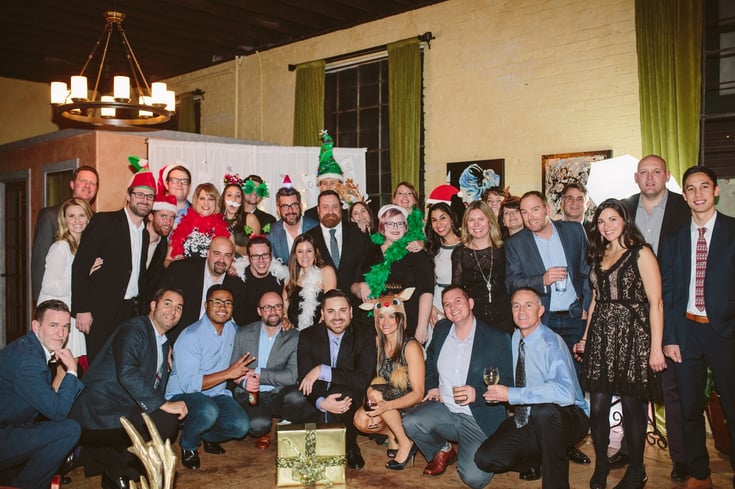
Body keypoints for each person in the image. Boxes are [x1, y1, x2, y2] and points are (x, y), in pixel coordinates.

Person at [572, 199, 666, 489]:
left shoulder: (642, 253)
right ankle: (601, 465)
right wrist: (587, 337)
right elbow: (598, 300)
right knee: (598, 407)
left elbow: (656, 303)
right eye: (601, 221)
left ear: (625, 220)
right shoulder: (599, 254)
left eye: (612, 219)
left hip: (634, 336)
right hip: (601, 336)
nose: (606, 226)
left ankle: (637, 470)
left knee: (632, 407)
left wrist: (656, 348)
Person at [617, 154, 691, 480]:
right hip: (630, 313)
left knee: (672, 390)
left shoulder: (683, 208)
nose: (649, 178)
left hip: (670, 307)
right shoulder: (622, 208)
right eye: (644, 173)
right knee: (630, 389)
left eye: (656, 172)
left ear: (667, 176)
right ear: (636, 177)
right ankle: (629, 454)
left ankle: (682, 459)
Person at [660, 166, 735, 489]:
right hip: (687, 332)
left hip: (726, 333)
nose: (698, 194)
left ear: (715, 191)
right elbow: (670, 291)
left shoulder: (733, 231)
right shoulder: (676, 238)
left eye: (704, 187)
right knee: (689, 407)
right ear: (685, 195)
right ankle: (699, 473)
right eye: (690, 189)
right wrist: (670, 337)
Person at [504, 190, 592, 465]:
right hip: (544, 320)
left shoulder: (574, 231)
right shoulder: (516, 243)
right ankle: (541, 446)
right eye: (524, 212)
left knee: (573, 382)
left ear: (547, 209)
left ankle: (567, 442)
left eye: (534, 210)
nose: (529, 217)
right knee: (541, 382)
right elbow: (511, 283)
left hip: (575, 317)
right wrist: (541, 280)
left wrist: (588, 304)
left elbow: (587, 271)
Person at [70, 289, 188, 488]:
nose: (173, 311)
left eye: (179, 307)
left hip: (122, 407)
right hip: (99, 408)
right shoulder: (134, 328)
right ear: (153, 305)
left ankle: (90, 456)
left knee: (160, 420)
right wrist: (164, 404)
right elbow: (127, 373)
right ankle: (115, 472)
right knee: (165, 421)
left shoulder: (163, 343)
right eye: (167, 303)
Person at [475, 288, 590, 489]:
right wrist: (500, 393)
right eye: (516, 306)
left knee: (544, 412)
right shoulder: (515, 337)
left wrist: (512, 395)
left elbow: (565, 393)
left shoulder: (550, 343)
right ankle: (534, 461)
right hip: (529, 418)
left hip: (569, 417)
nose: (521, 311)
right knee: (486, 458)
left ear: (541, 311)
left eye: (528, 305)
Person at [403, 286, 512, 489]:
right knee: (411, 421)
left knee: (473, 479)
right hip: (446, 410)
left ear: (470, 303)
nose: (452, 307)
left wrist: (477, 393)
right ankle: (443, 449)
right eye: (447, 304)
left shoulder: (496, 338)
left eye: (458, 301)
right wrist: (433, 387)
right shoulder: (442, 330)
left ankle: (471, 450)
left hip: (477, 417)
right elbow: (431, 363)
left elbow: (509, 381)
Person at [280, 289, 377, 470]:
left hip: (350, 395)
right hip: (318, 395)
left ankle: (349, 446)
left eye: (342, 310)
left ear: (351, 312)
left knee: (341, 395)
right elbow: (304, 378)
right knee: (292, 398)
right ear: (323, 314)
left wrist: (322, 370)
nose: (337, 317)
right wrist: (321, 402)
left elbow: (362, 378)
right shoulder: (308, 335)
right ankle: (315, 444)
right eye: (331, 311)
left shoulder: (364, 334)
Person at [71, 167, 155, 362]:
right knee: (97, 368)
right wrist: (82, 309)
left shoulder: (144, 234)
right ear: (128, 195)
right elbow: (81, 266)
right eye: (140, 194)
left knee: (122, 366)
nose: (144, 200)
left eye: (149, 197)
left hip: (129, 312)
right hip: (101, 312)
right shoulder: (104, 221)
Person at [165, 285, 251, 470]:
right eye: (217, 302)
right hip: (182, 394)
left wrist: (284, 322)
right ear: (206, 305)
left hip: (215, 393)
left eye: (228, 303)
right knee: (207, 411)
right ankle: (189, 445)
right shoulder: (191, 336)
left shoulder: (232, 329)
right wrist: (228, 373)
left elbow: (255, 333)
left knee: (241, 426)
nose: (223, 307)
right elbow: (190, 385)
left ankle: (208, 436)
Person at [0, 300, 83, 489]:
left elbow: (45, 401)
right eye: (53, 325)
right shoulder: (28, 361)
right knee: (69, 430)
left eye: (65, 327)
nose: (61, 334)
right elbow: (58, 412)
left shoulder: (29, 347)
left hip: (9, 427)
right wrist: (71, 370)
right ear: (36, 326)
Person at [353, 289, 425, 470]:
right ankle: (393, 434)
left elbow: (418, 393)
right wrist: (371, 390)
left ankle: (405, 442)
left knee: (377, 396)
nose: (385, 322)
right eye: (381, 317)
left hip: (409, 404)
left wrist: (387, 405)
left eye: (391, 317)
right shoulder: (377, 343)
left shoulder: (411, 346)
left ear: (400, 318)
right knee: (361, 420)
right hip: (384, 401)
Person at [352, 204, 434, 343]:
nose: (395, 228)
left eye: (400, 224)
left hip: (406, 321)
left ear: (405, 228)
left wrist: (422, 326)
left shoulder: (414, 252)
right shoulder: (370, 251)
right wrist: (361, 286)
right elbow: (353, 286)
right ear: (382, 228)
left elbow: (426, 291)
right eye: (390, 223)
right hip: (374, 323)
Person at [230, 291, 298, 450]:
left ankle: (286, 427)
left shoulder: (294, 336)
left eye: (277, 307)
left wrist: (257, 373)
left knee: (297, 397)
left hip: (279, 391)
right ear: (259, 311)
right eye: (267, 307)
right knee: (258, 425)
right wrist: (245, 382)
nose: (273, 312)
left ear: (283, 310)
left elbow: (292, 376)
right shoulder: (243, 333)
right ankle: (263, 429)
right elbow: (233, 368)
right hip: (252, 394)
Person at [159, 236, 248, 343]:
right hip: (178, 340)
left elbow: (242, 323)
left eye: (227, 255)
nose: (221, 260)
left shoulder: (237, 286)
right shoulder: (181, 270)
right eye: (217, 253)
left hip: (216, 346)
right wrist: (165, 342)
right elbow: (160, 307)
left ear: (232, 258)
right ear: (208, 253)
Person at [38, 198, 94, 362]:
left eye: (82, 215)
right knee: (67, 365)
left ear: (88, 218)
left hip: (72, 312)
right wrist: (83, 275)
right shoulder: (61, 247)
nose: (77, 221)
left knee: (70, 364)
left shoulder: (83, 247)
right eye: (71, 216)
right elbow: (48, 286)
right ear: (64, 220)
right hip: (58, 315)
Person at [32, 165, 99, 302]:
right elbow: (39, 267)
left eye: (92, 183)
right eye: (83, 181)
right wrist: (43, 310)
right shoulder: (50, 216)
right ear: (72, 184)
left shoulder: (97, 220)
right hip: (57, 302)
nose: (87, 186)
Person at [452, 200, 513, 334]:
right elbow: (457, 291)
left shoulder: (504, 249)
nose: (477, 224)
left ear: (490, 222)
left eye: (481, 219)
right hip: (474, 321)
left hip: (505, 318)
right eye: (471, 220)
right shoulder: (460, 253)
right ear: (466, 225)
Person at [306, 190, 370, 298]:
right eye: (325, 207)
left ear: (341, 208)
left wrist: (362, 286)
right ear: (318, 210)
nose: (330, 212)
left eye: (335, 206)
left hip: (356, 305)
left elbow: (369, 266)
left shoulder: (358, 233)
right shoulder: (309, 239)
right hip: (322, 307)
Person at [165, 182, 230, 266]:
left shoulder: (225, 229)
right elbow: (167, 260)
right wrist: (175, 264)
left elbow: (229, 262)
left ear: (216, 202)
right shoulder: (182, 225)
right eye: (202, 198)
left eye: (211, 199)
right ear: (196, 201)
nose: (206, 203)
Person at [283, 234, 337, 330]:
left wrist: (313, 335)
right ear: (295, 255)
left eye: (309, 251)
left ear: (315, 252)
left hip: (316, 333)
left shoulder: (326, 272)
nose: (305, 256)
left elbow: (330, 306)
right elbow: (284, 306)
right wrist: (285, 321)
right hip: (291, 334)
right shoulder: (290, 276)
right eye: (300, 252)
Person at [425, 202, 462, 329]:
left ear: (451, 219)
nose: (438, 224)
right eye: (434, 220)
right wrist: (430, 308)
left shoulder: (467, 244)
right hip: (437, 304)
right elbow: (426, 283)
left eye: (443, 218)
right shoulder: (432, 248)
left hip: (462, 302)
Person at [239, 236, 287, 326]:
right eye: (255, 256)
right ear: (249, 258)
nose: (261, 261)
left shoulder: (281, 276)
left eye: (265, 255)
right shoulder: (237, 279)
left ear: (271, 256)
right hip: (246, 331)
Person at [304, 130, 348, 222]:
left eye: (332, 182)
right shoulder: (310, 215)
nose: (328, 186)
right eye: (324, 183)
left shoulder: (349, 212)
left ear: (340, 185)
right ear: (319, 186)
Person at [268, 183, 318, 263]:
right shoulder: (271, 233)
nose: (290, 211)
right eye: (285, 207)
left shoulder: (316, 227)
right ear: (278, 210)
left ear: (301, 206)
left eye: (294, 205)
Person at [221, 175, 261, 257]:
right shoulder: (216, 219)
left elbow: (257, 249)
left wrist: (234, 247)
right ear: (223, 199)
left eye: (238, 196)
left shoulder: (250, 219)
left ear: (241, 200)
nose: (233, 200)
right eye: (229, 195)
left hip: (241, 266)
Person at [392, 182, 426, 252]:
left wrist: (422, 243)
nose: (405, 196)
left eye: (409, 193)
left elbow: (433, 247)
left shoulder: (423, 224)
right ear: (394, 200)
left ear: (415, 200)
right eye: (400, 193)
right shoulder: (386, 223)